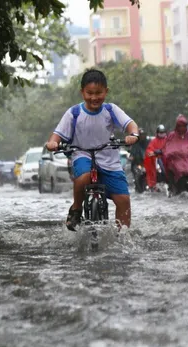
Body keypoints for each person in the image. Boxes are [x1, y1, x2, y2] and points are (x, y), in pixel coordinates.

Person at [45, 69, 139, 230]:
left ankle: (123, 236)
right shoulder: (74, 113)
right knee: (84, 176)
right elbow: (56, 136)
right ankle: (76, 208)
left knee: (124, 200)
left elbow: (131, 125)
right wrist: (52, 143)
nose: (94, 97)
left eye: (98, 93)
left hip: (109, 160)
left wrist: (133, 134)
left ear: (106, 92)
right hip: (82, 155)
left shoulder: (110, 110)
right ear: (82, 92)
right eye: (89, 93)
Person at [143, 124, 168, 191]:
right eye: (160, 132)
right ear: (157, 133)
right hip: (158, 159)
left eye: (163, 132)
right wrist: (154, 152)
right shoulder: (154, 141)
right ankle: (153, 185)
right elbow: (149, 150)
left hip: (168, 159)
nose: (162, 134)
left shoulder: (168, 140)